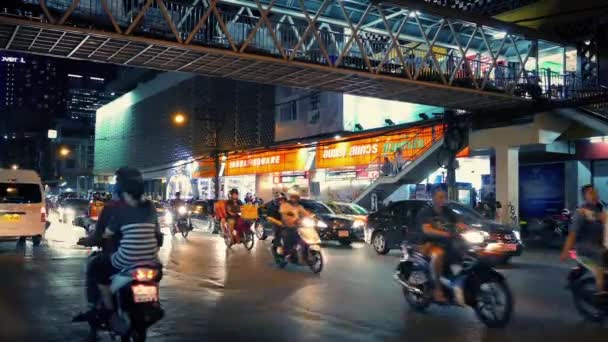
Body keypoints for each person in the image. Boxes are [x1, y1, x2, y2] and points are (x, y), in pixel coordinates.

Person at [75, 167, 162, 321]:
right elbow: (157, 234)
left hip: (121, 259)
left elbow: (101, 235)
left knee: (95, 266)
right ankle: (154, 304)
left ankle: (103, 309)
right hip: (152, 262)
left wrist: (88, 240)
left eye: (116, 182)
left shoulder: (115, 208)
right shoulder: (150, 206)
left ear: (122, 186)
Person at [417, 187, 467, 302]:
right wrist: (445, 234)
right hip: (427, 243)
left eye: (444, 197)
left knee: (466, 251)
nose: (443, 200)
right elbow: (427, 230)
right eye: (440, 197)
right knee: (439, 254)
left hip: (446, 242)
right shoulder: (426, 211)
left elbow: (458, 221)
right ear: (433, 198)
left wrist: (464, 226)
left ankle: (457, 284)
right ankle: (437, 290)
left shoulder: (447, 210)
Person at [561, 185, 607, 295]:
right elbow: (573, 234)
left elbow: (602, 218)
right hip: (585, 246)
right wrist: (565, 251)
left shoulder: (600, 209)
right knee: (602, 254)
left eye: (595, 192)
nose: (595, 195)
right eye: (591, 193)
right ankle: (601, 292)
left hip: (599, 243)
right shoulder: (580, 212)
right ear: (584, 197)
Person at [279, 189, 311, 260]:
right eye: (293, 197)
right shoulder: (285, 205)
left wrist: (313, 217)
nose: (295, 199)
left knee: (306, 239)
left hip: (297, 226)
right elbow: (283, 215)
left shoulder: (299, 206)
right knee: (288, 239)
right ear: (290, 198)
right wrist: (288, 220)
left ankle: (305, 256)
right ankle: (286, 254)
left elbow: (305, 213)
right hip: (288, 226)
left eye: (296, 198)